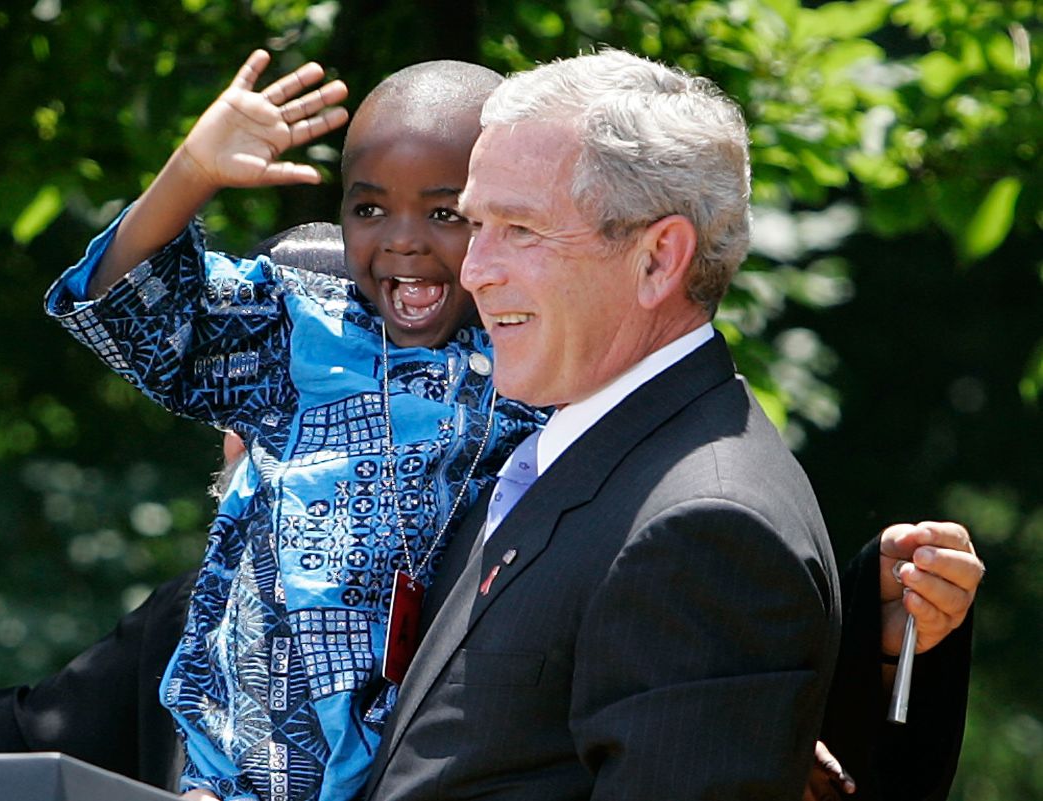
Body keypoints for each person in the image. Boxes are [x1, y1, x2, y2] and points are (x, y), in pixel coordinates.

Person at [0, 226, 980, 798]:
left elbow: (731, 735)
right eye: (251, 388)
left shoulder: (541, 579)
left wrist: (885, 643)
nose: (302, 436)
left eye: (342, 397)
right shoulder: (195, 623)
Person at [355, 48, 974, 801]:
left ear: (658, 259)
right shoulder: (562, 456)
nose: (475, 267)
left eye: (520, 229)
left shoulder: (706, 530)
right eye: (475, 223)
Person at [44, 53, 543, 801]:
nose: (401, 240)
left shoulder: (541, 356)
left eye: (445, 213)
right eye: (369, 208)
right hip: (243, 780)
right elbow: (127, 306)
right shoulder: (299, 329)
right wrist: (192, 171)